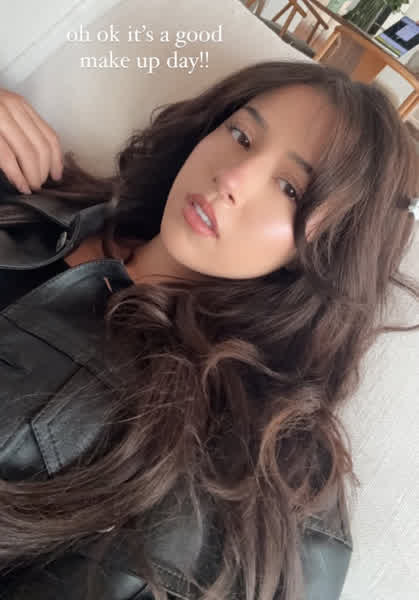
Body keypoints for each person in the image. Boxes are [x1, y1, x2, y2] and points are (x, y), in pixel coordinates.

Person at [0, 60, 418, 600]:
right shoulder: (43, 194)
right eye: (241, 136)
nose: (233, 179)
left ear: (330, 248)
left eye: (290, 188)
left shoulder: (250, 456)